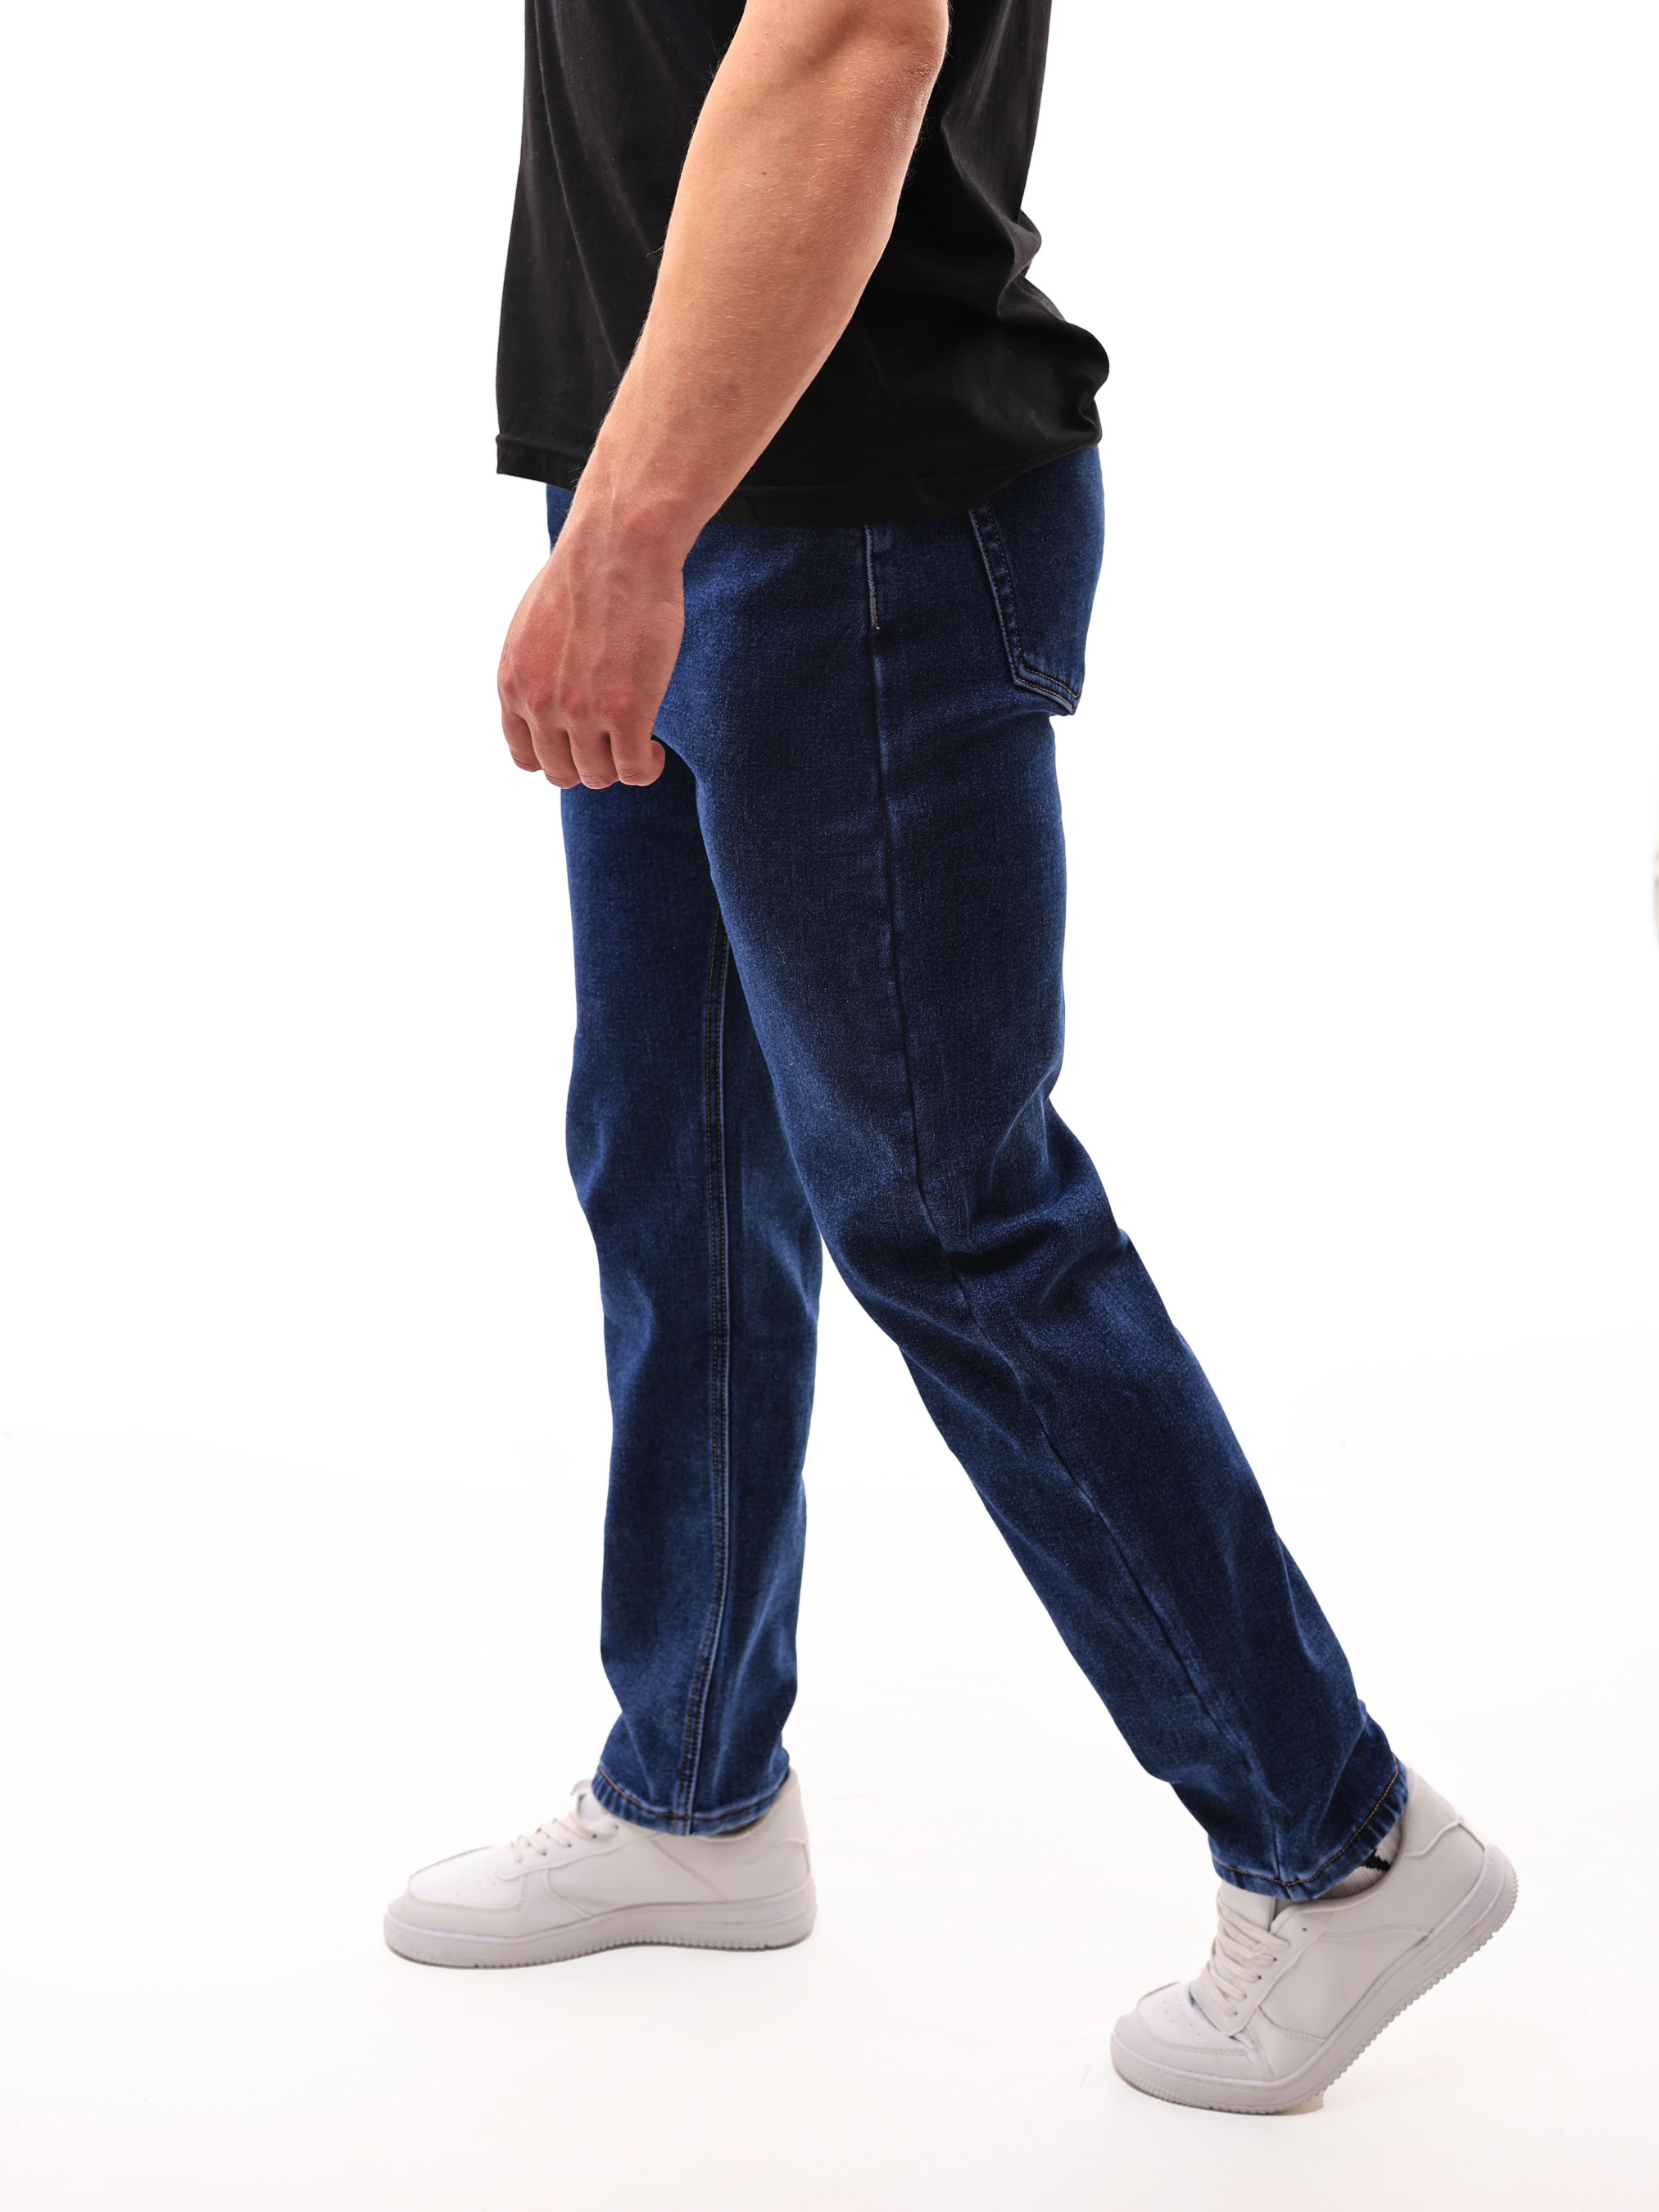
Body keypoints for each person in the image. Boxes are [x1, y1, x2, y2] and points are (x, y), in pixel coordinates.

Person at [382, 0, 1515, 2114]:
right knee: (676, 1151)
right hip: (665, 473)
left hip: (844, 531)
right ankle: (693, 1788)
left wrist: (628, 541)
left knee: (954, 1216)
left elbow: (851, 36)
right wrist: (619, 509)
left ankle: (1338, 1843)